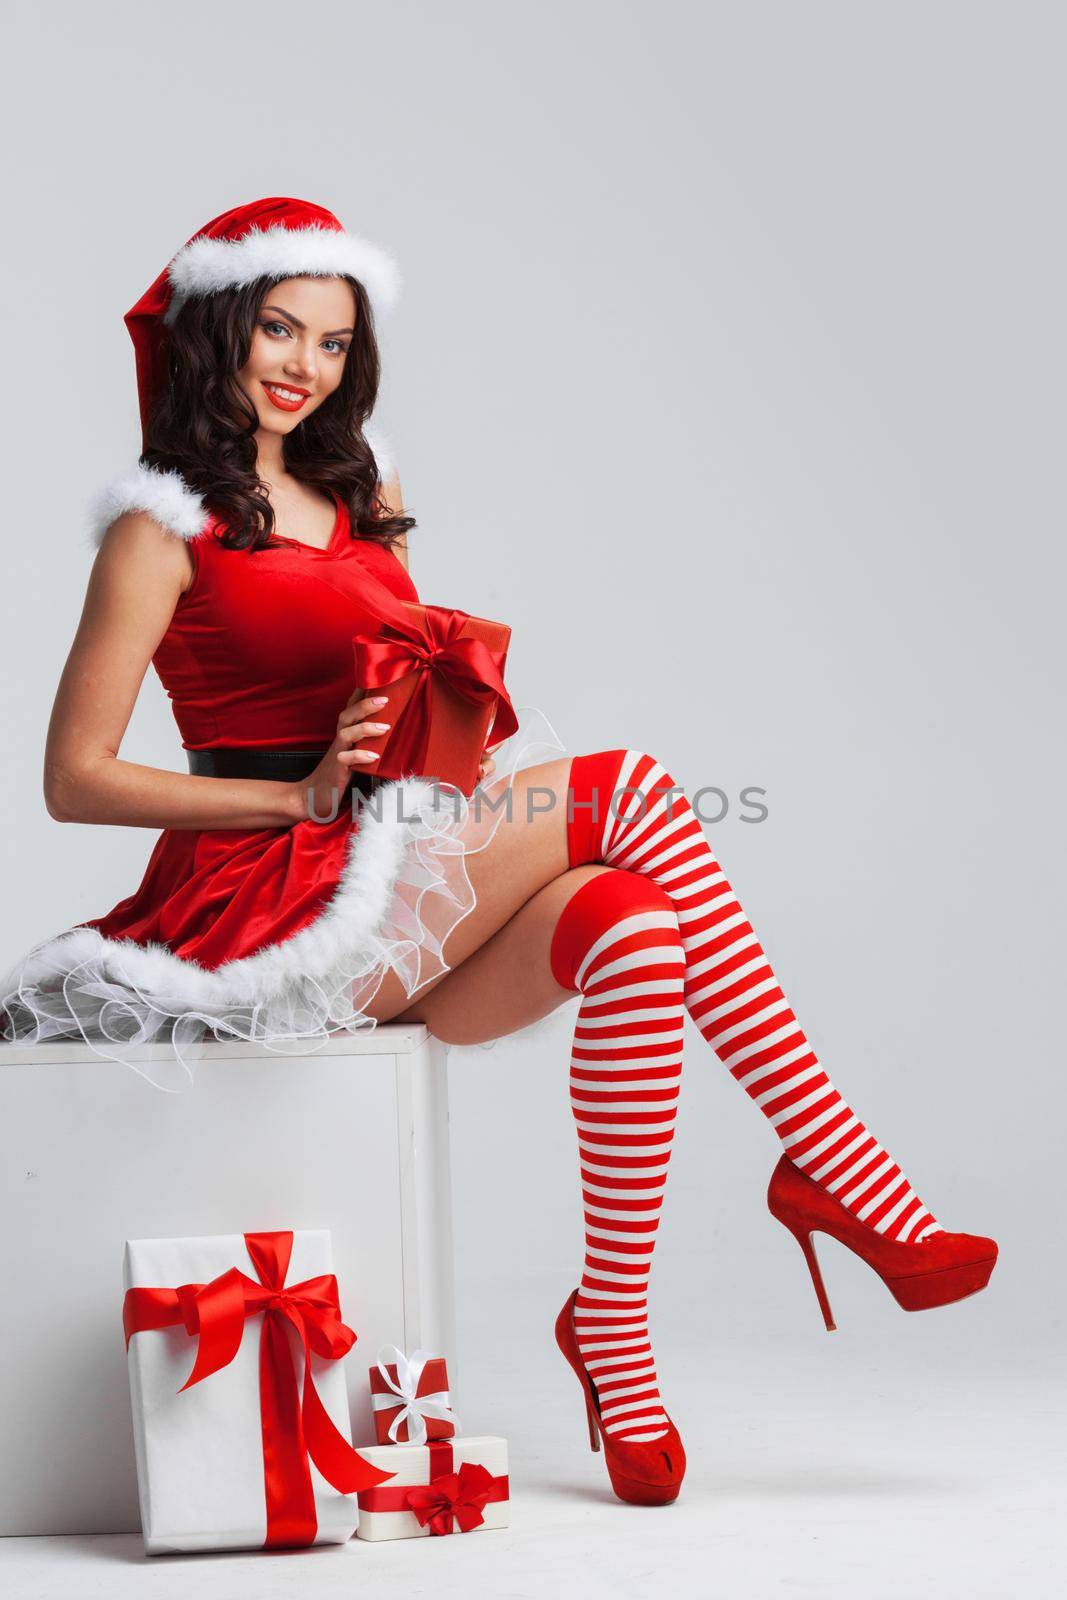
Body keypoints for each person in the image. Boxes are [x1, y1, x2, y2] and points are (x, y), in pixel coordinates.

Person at [0, 196, 998, 1508]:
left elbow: (415, 697)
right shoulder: (160, 525)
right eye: (279, 329)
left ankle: (614, 1338)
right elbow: (73, 779)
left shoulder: (366, 494)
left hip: (393, 874)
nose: (305, 364)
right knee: (635, 786)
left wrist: (431, 719)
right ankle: (845, 1178)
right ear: (220, 331)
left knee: (637, 924)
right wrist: (299, 799)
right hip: (268, 901)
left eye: (336, 342)